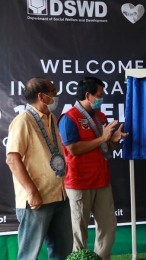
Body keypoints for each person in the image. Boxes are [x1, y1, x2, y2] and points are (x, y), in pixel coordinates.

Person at [58, 76, 128, 259]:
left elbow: (103, 146)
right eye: (99, 94)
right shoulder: (69, 118)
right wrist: (103, 139)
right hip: (79, 183)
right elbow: (72, 148)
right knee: (79, 232)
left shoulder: (100, 116)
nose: (102, 98)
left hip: (102, 180)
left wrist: (113, 140)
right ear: (88, 95)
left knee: (108, 226)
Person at [5, 77, 73, 259]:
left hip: (60, 195)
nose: (56, 96)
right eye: (53, 92)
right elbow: (12, 159)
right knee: (29, 254)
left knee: (62, 251)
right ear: (42, 97)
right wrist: (31, 191)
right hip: (36, 200)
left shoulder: (52, 118)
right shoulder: (23, 121)